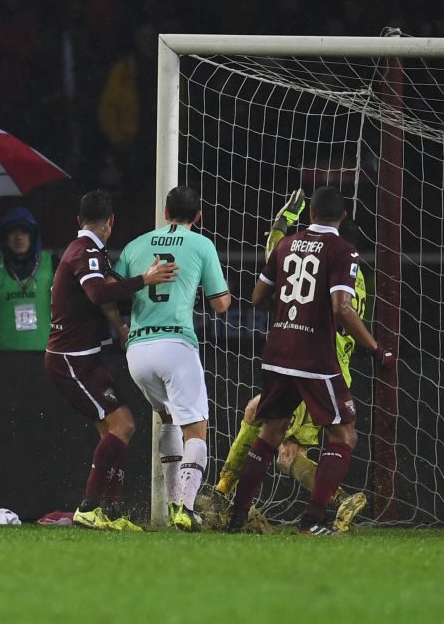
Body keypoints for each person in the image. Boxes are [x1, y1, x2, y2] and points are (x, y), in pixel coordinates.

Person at [226, 186, 395, 534]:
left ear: (311, 214)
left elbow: (257, 297)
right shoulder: (344, 252)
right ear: (343, 217)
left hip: (277, 350)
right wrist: (376, 348)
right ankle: (313, 521)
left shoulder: (286, 245)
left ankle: (236, 516)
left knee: (270, 432)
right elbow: (342, 308)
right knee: (344, 436)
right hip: (316, 356)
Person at [44, 189, 178, 532]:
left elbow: (99, 297)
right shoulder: (84, 252)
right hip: (71, 360)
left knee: (117, 431)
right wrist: (143, 280)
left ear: (79, 220)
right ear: (111, 222)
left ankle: (112, 513)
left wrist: (119, 326)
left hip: (82, 357)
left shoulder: (90, 252)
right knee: (124, 426)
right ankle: (88, 509)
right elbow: (97, 293)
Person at [115, 186, 231, 532]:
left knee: (167, 417)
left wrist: (121, 326)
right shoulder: (201, 244)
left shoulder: (135, 245)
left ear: (164, 213)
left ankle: (169, 507)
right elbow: (220, 304)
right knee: (195, 429)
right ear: (198, 216)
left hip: (136, 350)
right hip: (175, 344)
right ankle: (184, 505)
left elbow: (115, 290)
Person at [0, 207, 56, 351]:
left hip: (46, 357)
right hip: (1, 359)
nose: (19, 237)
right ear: (4, 237)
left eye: (24, 231)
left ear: (33, 236)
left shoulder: (54, 265)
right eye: (13, 231)